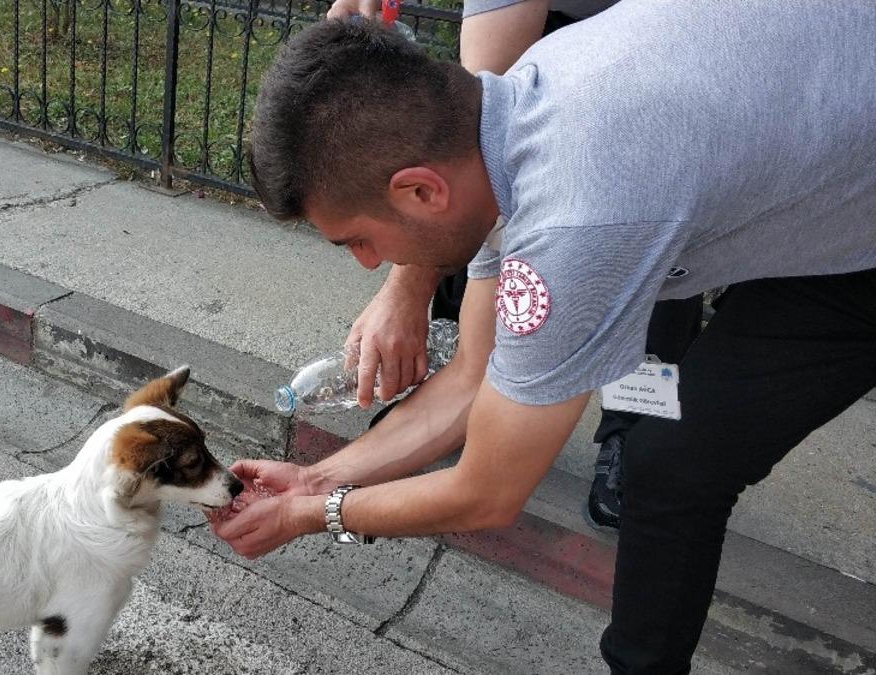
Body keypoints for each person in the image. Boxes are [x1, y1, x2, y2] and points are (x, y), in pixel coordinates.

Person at [214, 4, 876, 673]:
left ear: (420, 190)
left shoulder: (575, 219)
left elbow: (488, 492)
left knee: (675, 462)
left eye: (357, 238)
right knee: (668, 455)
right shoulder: (505, 113)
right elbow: (472, 376)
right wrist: (312, 477)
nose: (365, 263)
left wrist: (310, 514)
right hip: (826, 161)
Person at [329, 0, 705, 531]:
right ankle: (488, 405)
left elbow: (466, 146)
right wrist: (319, 481)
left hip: (661, 80)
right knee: (492, 231)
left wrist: (406, 289)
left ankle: (633, 428)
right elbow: (472, 132)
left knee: (657, 289)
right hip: (570, 49)